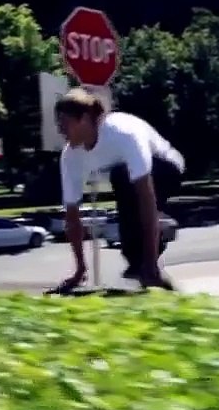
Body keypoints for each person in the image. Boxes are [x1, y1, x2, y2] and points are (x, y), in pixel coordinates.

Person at [53, 87, 184, 292]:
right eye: (58, 123)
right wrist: (80, 270)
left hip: (167, 166)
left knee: (122, 178)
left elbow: (145, 198)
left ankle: (157, 241)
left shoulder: (123, 133)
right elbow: (72, 217)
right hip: (131, 180)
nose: (60, 130)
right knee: (132, 253)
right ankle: (140, 264)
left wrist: (150, 265)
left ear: (85, 119)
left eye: (65, 123)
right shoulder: (70, 156)